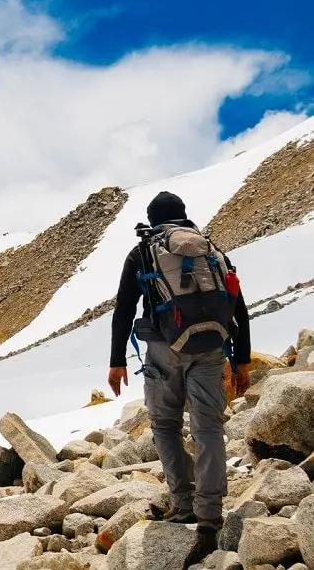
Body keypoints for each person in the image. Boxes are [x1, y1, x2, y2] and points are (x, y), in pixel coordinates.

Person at [108, 192, 251, 554]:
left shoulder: (143, 251)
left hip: (164, 351)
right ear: (184, 216)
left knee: (166, 426)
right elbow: (238, 305)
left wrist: (117, 360)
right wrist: (242, 360)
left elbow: (124, 309)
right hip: (211, 349)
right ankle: (210, 514)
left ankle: (184, 504)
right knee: (209, 428)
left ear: (152, 219)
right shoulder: (211, 250)